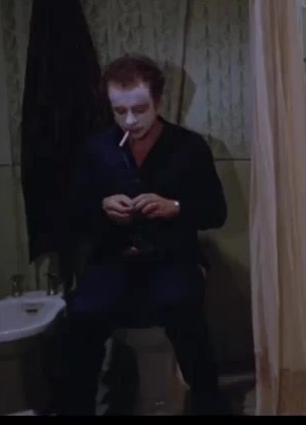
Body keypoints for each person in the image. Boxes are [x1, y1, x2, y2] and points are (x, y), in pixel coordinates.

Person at [59, 55, 230, 415]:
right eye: (119, 111)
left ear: (159, 101)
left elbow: (217, 212)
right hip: (113, 258)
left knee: (184, 311)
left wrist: (175, 206)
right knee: (81, 317)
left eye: (140, 109)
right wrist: (102, 206)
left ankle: (208, 402)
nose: (130, 120)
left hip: (171, 257)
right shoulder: (97, 148)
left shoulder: (189, 147)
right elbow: (73, 213)